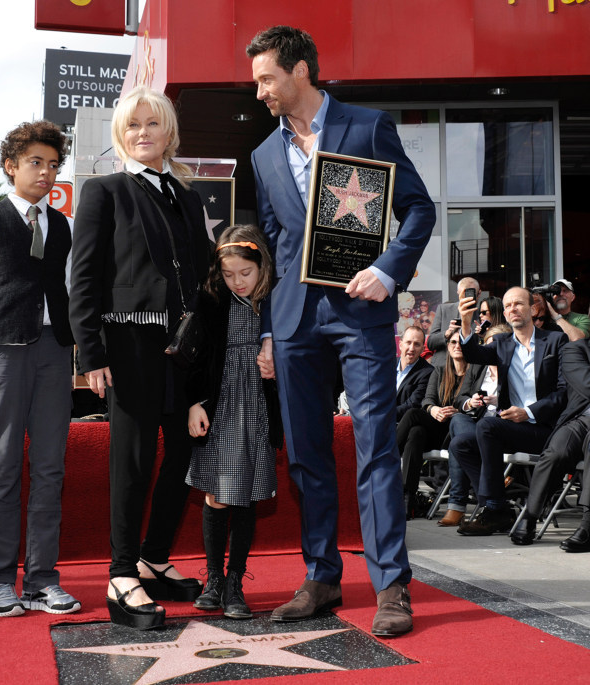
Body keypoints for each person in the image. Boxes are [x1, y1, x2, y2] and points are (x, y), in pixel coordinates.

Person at [247, 26, 436, 637]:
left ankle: (391, 585)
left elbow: (420, 208)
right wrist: (270, 333)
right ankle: (322, 577)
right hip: (295, 322)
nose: (260, 93)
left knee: (376, 445)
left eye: (266, 78)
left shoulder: (368, 125)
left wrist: (388, 269)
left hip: (362, 315)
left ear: (301, 71)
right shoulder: (263, 156)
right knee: (305, 454)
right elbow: (276, 244)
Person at [69, 86, 210, 630]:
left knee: (182, 453)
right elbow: (83, 279)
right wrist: (92, 351)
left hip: (184, 347)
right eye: (133, 126)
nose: (144, 133)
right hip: (128, 344)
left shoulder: (188, 197)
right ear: (121, 135)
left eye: (153, 124)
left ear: (169, 133)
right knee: (132, 458)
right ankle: (121, 572)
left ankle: (152, 557)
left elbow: (199, 280)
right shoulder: (104, 191)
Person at [0, 120, 80, 618]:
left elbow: (68, 290)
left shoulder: (62, 225)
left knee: (50, 467)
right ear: (11, 166)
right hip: (3, 348)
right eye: (36, 162)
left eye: (53, 164)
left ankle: (42, 580)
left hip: (54, 349)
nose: (46, 173)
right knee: (3, 462)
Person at [186, 225, 282, 620]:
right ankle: (212, 578)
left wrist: (275, 355)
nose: (237, 281)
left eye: (245, 273)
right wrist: (194, 402)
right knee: (218, 493)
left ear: (262, 265)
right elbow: (194, 352)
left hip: (257, 403)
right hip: (220, 400)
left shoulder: (275, 303)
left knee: (244, 492)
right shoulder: (210, 300)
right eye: (228, 274)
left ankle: (235, 580)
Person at [452, 287, 567, 535]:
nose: (512, 309)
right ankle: (499, 500)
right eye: (507, 306)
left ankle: (494, 508)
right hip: (512, 428)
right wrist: (465, 321)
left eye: (518, 304)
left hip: (545, 430)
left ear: (532, 308)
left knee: (487, 426)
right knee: (460, 444)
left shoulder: (555, 341)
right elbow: (472, 353)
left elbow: (562, 392)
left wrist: (529, 412)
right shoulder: (502, 344)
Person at [510, 337, 590, 546]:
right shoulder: (575, 350)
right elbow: (586, 384)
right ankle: (531, 514)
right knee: (557, 452)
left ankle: (587, 525)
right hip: (581, 418)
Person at [438, 323, 511, 527]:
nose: (488, 351)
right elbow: (460, 397)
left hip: (502, 425)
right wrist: (470, 402)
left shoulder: (513, 368)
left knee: (460, 442)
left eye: (494, 346)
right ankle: (491, 483)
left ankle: (458, 504)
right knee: (459, 421)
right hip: (476, 423)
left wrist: (499, 401)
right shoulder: (478, 366)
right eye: (486, 346)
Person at [396, 331, 472, 519]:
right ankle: (407, 497)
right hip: (433, 427)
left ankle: (388, 455)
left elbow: (476, 402)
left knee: (413, 414)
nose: (457, 346)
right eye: (453, 342)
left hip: (454, 432)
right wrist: (433, 409)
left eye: (461, 342)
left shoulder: (475, 371)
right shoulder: (439, 371)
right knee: (416, 433)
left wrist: (459, 409)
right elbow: (427, 400)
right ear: (447, 346)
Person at [427, 277, 480, 369]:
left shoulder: (482, 314)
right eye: (465, 294)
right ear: (458, 293)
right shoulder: (444, 309)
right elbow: (431, 343)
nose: (468, 297)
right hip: (442, 368)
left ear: (479, 294)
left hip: (471, 368)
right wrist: (447, 333)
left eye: (472, 293)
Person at [396, 325, 433, 423]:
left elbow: (412, 405)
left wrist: (384, 415)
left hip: (403, 424)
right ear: (400, 345)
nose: (411, 348)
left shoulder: (428, 372)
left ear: (422, 349)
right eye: (408, 343)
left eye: (417, 344)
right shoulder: (386, 365)